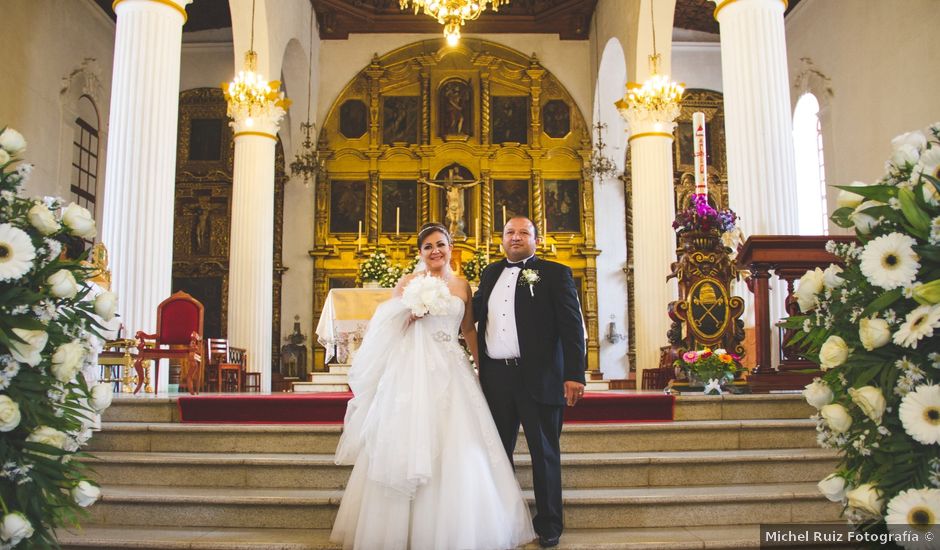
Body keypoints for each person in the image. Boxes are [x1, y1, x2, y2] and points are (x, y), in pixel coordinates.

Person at [330, 222, 535, 550]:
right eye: (428, 246)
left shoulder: (463, 286)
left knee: (460, 439)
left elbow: (468, 330)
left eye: (440, 244)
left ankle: (459, 528)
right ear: (421, 252)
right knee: (409, 439)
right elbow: (384, 326)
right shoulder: (408, 282)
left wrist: (482, 370)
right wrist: (406, 317)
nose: (435, 251)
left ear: (451, 247)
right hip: (412, 367)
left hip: (452, 366)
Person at [472, 216, 586, 548]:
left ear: (536, 238)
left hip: (540, 377)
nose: (516, 237)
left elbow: (571, 327)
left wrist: (574, 375)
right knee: (498, 453)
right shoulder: (491, 272)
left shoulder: (553, 273)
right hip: (497, 379)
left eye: (524, 232)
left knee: (544, 453)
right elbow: (473, 314)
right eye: (510, 232)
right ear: (502, 239)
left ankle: (549, 524)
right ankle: (502, 519)